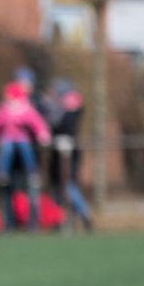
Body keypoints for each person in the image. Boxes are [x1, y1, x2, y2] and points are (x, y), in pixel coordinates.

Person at [0, 82, 51, 231]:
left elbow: (37, 123)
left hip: (22, 143)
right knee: (7, 148)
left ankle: (32, 171)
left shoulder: (27, 110)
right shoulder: (3, 110)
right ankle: (2, 172)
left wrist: (42, 134)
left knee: (25, 147)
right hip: (8, 144)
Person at [45, 79, 92, 232]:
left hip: (68, 152)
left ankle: (83, 215)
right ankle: (60, 218)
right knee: (59, 186)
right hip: (58, 152)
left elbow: (63, 127)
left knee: (68, 185)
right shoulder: (58, 107)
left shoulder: (69, 106)